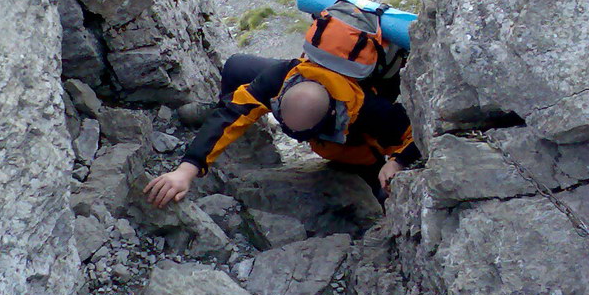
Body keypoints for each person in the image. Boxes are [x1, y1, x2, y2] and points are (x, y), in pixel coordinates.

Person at [144, 51, 420, 209]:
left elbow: (417, 137)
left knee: (381, 197)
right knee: (237, 66)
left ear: (332, 115)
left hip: (353, 150)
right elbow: (232, 114)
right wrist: (186, 169)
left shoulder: (374, 113)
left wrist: (397, 162)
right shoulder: (278, 78)